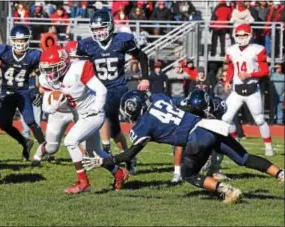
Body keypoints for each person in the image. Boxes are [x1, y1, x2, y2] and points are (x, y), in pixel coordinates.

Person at [82, 90, 284, 204]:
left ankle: (227, 190)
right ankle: (281, 174)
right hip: (209, 126)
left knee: (189, 174)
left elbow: (130, 153)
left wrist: (105, 161)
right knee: (244, 158)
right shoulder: (159, 98)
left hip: (195, 138)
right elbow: (184, 104)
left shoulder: (142, 126)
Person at [37, 45, 128, 194]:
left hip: (92, 113)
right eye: (46, 69)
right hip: (78, 114)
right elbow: (46, 106)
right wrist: (54, 105)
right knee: (94, 153)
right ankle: (119, 173)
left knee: (70, 141)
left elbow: (101, 90)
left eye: (53, 68)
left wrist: (96, 108)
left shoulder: (78, 69)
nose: (49, 73)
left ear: (64, 63)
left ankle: (83, 182)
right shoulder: (46, 79)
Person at [76, 10, 149, 174]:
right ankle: (129, 157)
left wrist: (145, 78)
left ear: (110, 26)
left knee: (105, 112)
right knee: (115, 129)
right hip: (97, 88)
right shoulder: (87, 45)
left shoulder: (121, 40)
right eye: (95, 29)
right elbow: (78, 67)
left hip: (118, 87)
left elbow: (142, 56)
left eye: (102, 28)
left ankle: (106, 147)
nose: (98, 32)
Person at [0, 24, 46, 161]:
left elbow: (41, 73)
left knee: (31, 121)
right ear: (12, 40)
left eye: (23, 40)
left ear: (28, 40)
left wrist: (39, 90)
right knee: (4, 124)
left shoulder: (33, 55)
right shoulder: (4, 51)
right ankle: (25, 142)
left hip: (23, 92)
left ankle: (45, 149)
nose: (20, 43)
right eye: (18, 40)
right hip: (6, 92)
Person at [222, 23, 274, 156]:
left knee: (259, 120)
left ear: (250, 35)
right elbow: (232, 68)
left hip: (252, 90)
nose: (242, 37)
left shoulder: (257, 49)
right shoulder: (231, 50)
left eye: (245, 34)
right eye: (239, 35)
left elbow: (265, 71)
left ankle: (268, 146)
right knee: (225, 117)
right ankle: (235, 140)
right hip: (237, 90)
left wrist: (249, 75)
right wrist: (227, 80)